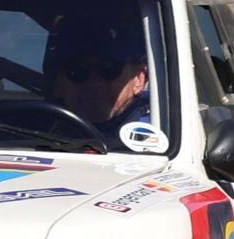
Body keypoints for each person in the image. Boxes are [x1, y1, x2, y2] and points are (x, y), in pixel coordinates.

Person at [45, 10, 156, 144]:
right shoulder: (31, 131)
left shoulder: (161, 130)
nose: (93, 83)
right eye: (77, 70)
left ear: (139, 79)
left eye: (109, 69)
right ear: (59, 83)